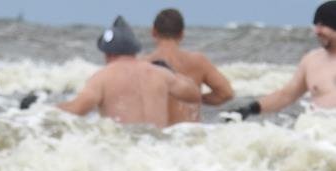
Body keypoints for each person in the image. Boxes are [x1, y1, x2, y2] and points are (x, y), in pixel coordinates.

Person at [20, 16, 201, 128]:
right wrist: (172, 72)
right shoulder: (160, 74)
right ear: (134, 50)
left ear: (107, 53)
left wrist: (40, 109)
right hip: (157, 152)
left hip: (126, 152)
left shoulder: (103, 77)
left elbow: (77, 109)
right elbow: (194, 95)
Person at [141, 8, 235, 124]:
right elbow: (226, 93)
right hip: (188, 131)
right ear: (182, 34)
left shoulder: (142, 64)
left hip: (155, 133)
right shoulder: (198, 61)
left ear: (153, 32)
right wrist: (195, 98)